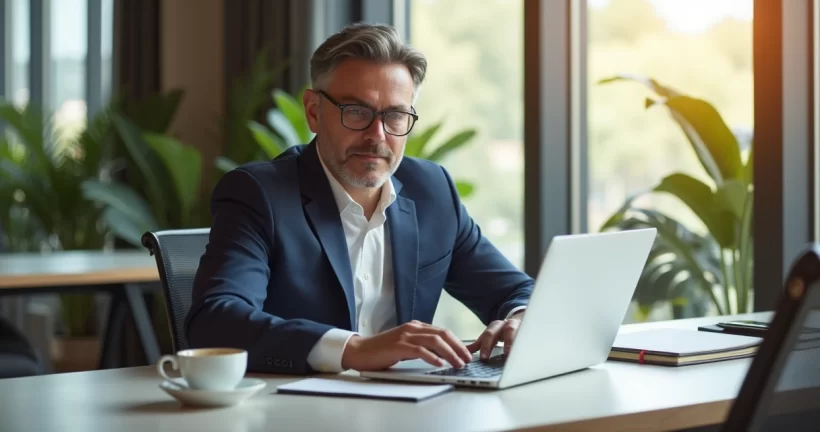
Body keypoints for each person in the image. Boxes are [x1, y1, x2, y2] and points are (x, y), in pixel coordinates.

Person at [186, 22, 534, 375]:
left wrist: (519, 318)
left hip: (411, 411)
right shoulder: (260, 195)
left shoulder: (431, 190)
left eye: (395, 115)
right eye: (356, 112)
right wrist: (353, 349)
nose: (377, 136)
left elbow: (517, 291)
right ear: (313, 111)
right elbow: (215, 321)